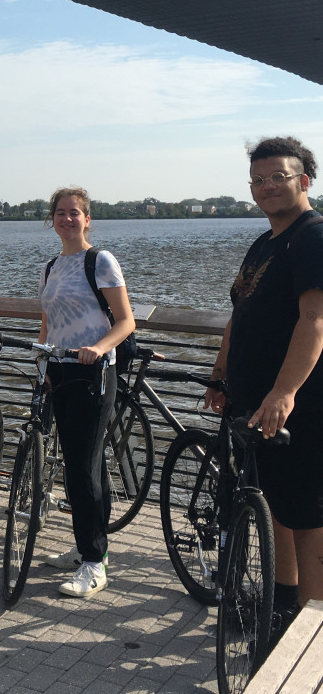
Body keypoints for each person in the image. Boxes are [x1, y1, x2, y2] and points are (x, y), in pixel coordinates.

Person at [204, 136, 323, 633]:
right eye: (257, 180)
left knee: (308, 516)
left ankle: (312, 634)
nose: (267, 186)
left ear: (305, 180)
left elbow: (315, 320)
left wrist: (284, 392)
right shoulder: (266, 241)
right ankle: (283, 607)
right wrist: (220, 374)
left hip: (302, 405)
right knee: (273, 504)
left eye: (278, 176)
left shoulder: (314, 236)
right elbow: (240, 314)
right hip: (256, 404)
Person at [38, 187, 135, 598]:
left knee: (82, 465)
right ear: (52, 219)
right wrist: (42, 361)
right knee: (83, 465)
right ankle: (87, 549)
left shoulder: (100, 261)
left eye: (74, 213)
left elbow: (126, 321)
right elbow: (48, 321)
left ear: (87, 218)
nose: (66, 219)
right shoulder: (52, 266)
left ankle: (95, 564)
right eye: (59, 213)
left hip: (94, 372)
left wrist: (99, 346)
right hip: (59, 370)